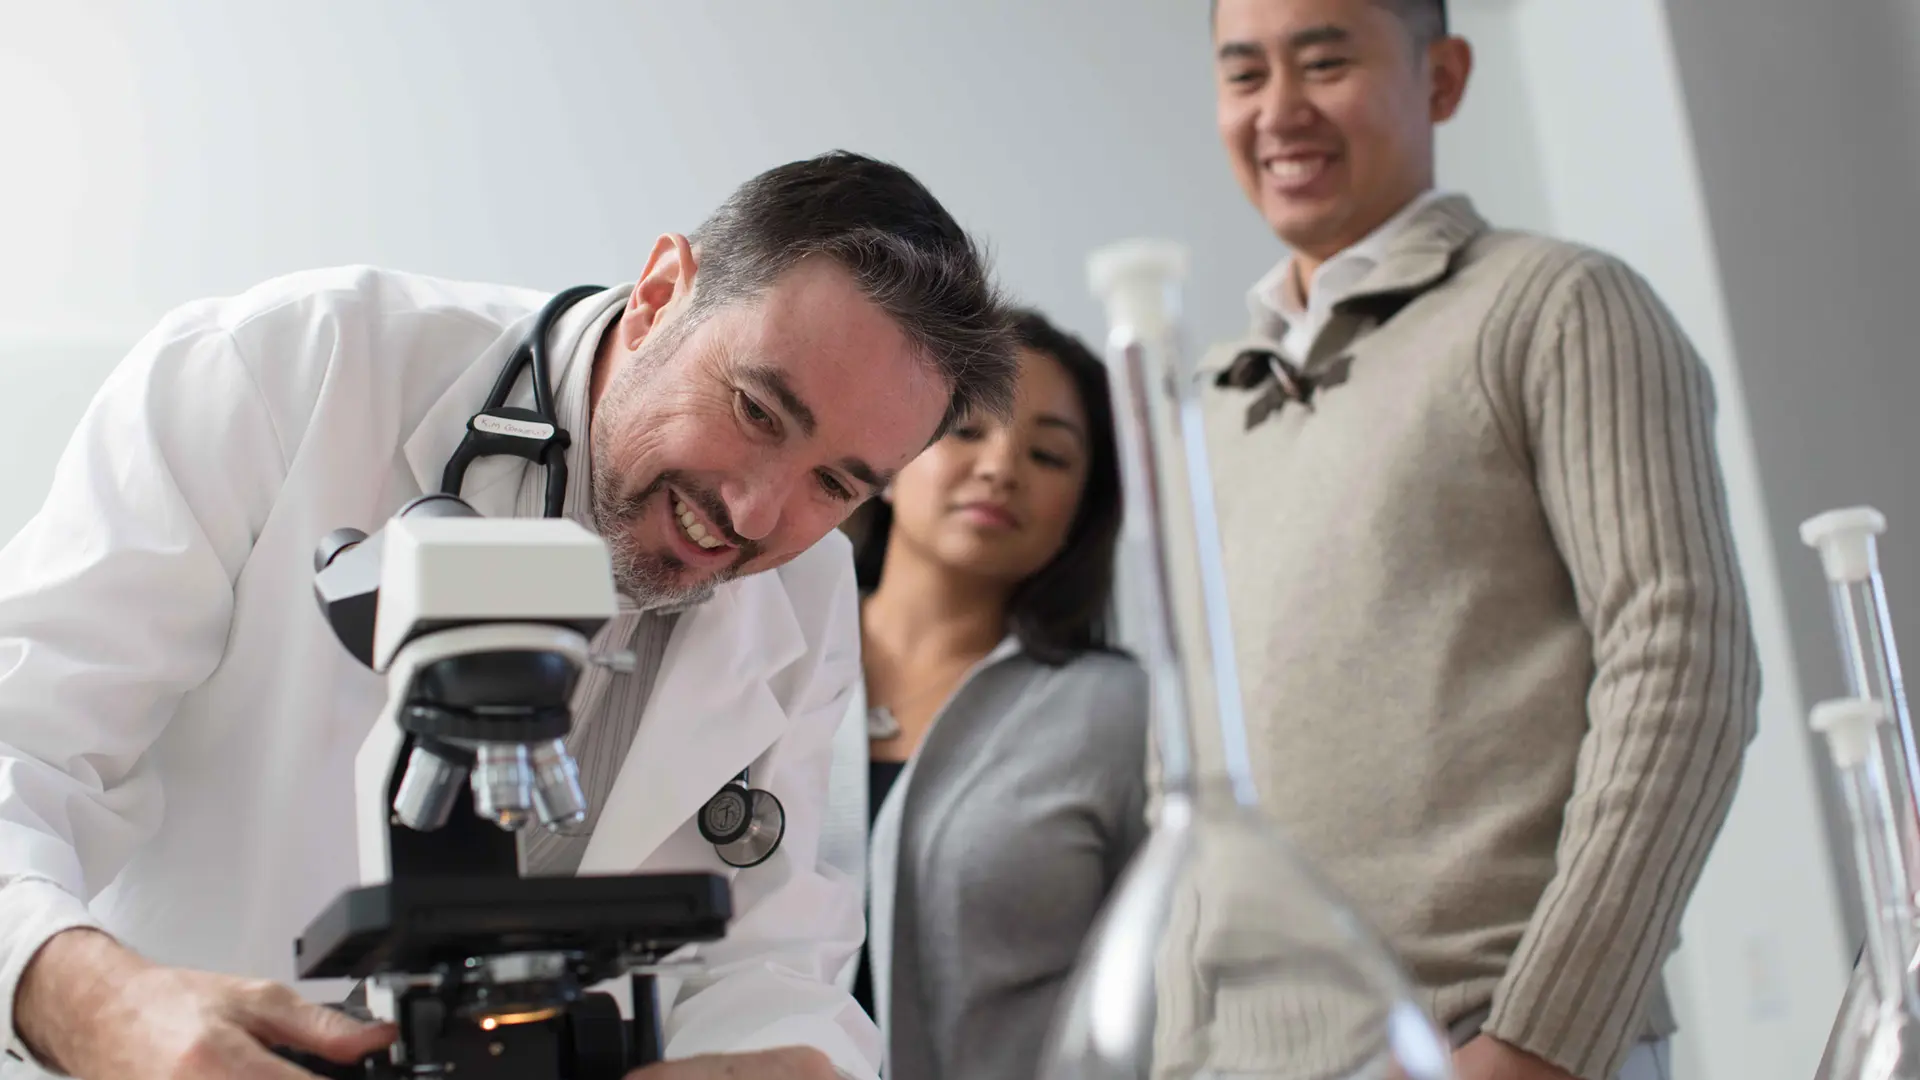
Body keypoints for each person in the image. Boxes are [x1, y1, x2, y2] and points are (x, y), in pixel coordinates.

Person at [0, 150, 1017, 1080]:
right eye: (755, 410)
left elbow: (774, 950)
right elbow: (22, 751)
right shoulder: (285, 369)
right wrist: (92, 1006)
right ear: (663, 293)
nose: (756, 513)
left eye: (834, 485)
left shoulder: (808, 589)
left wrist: (789, 1057)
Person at [1191, 2, 1762, 1079]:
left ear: (1443, 78)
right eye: (1243, 75)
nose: (1279, 111)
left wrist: (1540, 1039)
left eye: (1324, 62)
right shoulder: (1214, 402)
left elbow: (1683, 664)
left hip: (1486, 1042)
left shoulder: (1557, 306)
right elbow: (1186, 770)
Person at [824, 310, 1146, 1079]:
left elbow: (1171, 985)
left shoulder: (1123, 713)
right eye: (968, 430)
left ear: (1081, 513)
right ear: (892, 454)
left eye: (1048, 454)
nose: (1003, 466)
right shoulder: (770, 657)